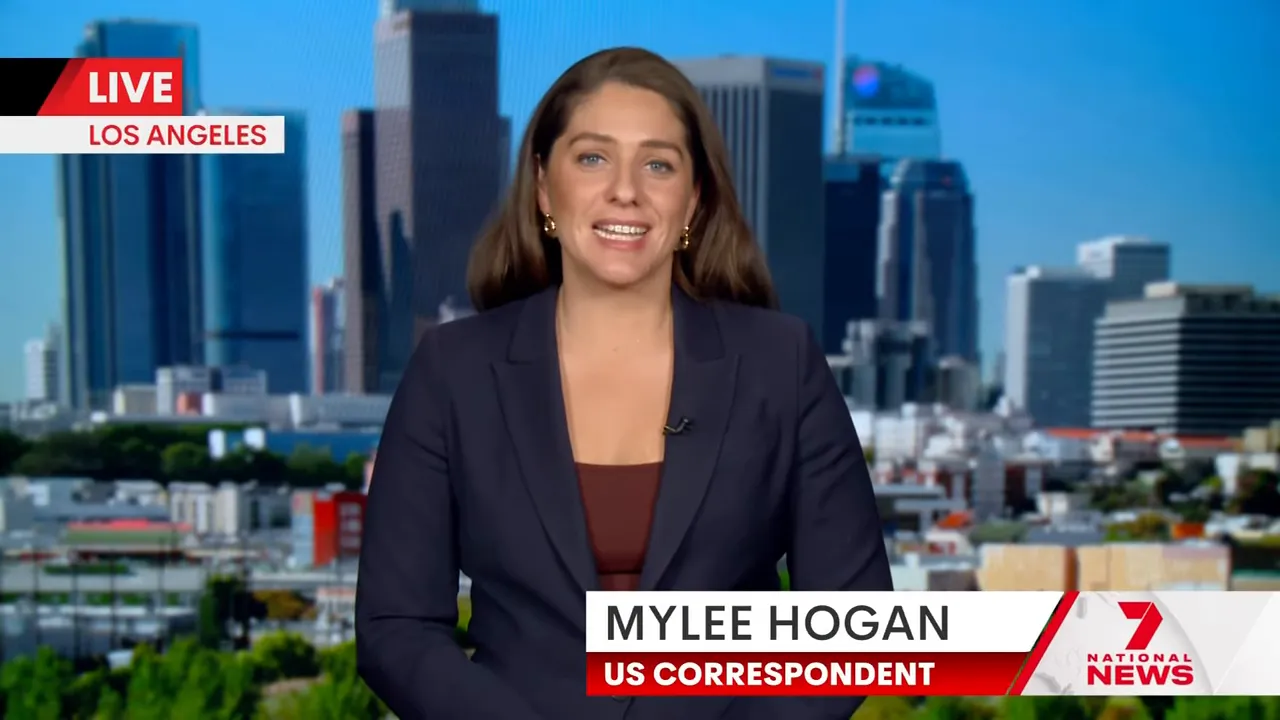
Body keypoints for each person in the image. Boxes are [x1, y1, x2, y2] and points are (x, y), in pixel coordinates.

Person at [355, 46, 892, 720]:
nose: (625, 190)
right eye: (592, 158)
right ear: (545, 189)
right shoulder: (453, 372)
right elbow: (395, 629)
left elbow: (851, 622)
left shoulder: (781, 364)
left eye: (658, 164)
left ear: (693, 200)